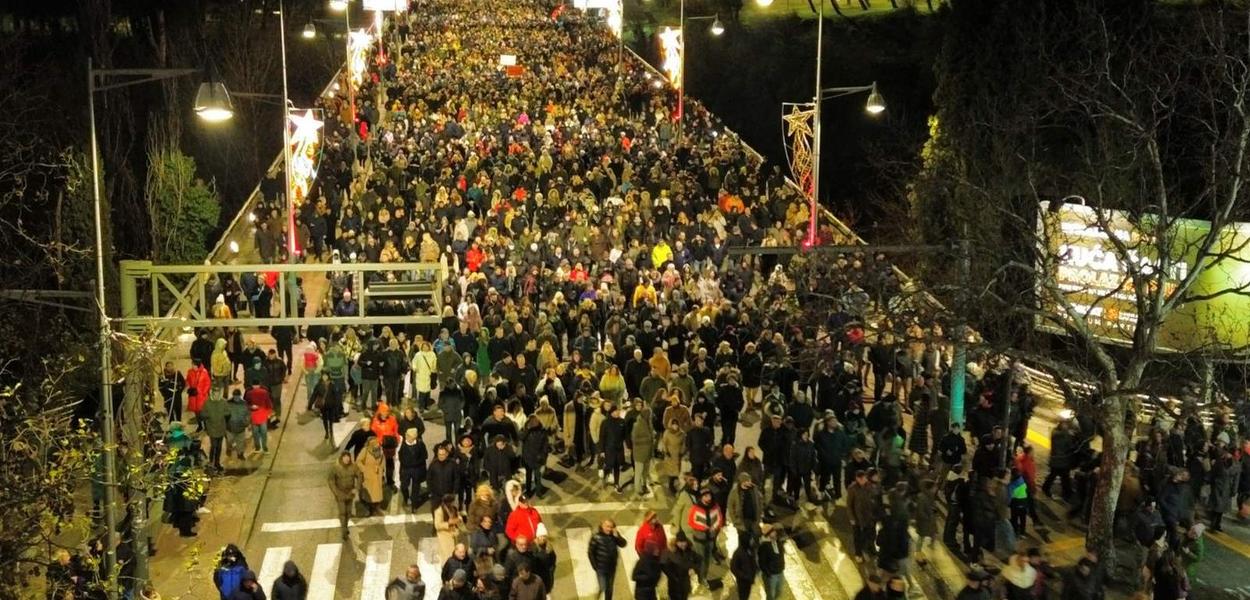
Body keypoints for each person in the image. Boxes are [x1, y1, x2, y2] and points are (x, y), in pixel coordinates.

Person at [588, 519, 628, 600]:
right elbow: (590, 552)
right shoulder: (596, 537)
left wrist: (618, 537)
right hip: (601, 568)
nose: (609, 529)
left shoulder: (614, 536)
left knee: (609, 589)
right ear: (602, 526)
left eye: (611, 527)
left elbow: (623, 544)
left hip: (611, 567)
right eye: (607, 526)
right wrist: (595, 566)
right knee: (603, 587)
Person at [329, 452, 362, 539]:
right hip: (340, 493)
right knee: (342, 512)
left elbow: (359, 476)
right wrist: (336, 492)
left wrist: (357, 488)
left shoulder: (353, 467)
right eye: (345, 457)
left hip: (350, 493)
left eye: (348, 457)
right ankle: (344, 530)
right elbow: (331, 480)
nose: (347, 459)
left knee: (348, 512)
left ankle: (345, 526)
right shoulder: (336, 468)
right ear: (342, 458)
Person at [399, 427, 429, 511]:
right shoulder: (403, 444)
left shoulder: (420, 444)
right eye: (407, 435)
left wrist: (416, 463)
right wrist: (405, 463)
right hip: (406, 469)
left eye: (409, 436)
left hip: (417, 469)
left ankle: (414, 505)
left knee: (416, 488)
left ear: (414, 437)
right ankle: (406, 498)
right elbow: (400, 456)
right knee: (404, 486)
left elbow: (425, 455)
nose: (407, 437)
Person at [359, 436, 387, 515]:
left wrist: (381, 469)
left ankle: (377, 508)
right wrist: (364, 470)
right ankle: (370, 509)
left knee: (378, 494)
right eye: (373, 442)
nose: (376, 444)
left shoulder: (380, 450)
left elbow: (383, 460)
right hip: (369, 475)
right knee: (369, 494)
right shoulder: (365, 450)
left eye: (376, 442)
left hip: (378, 475)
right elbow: (359, 461)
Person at [757, 523, 784, 600]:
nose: (775, 532)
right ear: (768, 534)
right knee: (771, 595)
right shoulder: (764, 547)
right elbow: (762, 563)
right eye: (773, 531)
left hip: (780, 572)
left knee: (779, 592)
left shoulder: (777, 541)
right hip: (771, 575)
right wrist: (768, 574)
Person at [435, 494, 465, 562]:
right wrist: (448, 523)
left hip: (455, 534)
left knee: (457, 554)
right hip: (444, 535)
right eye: (452, 502)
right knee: (448, 556)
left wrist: (459, 520)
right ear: (447, 503)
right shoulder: (439, 511)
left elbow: (458, 519)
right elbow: (437, 525)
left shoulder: (454, 508)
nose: (453, 504)